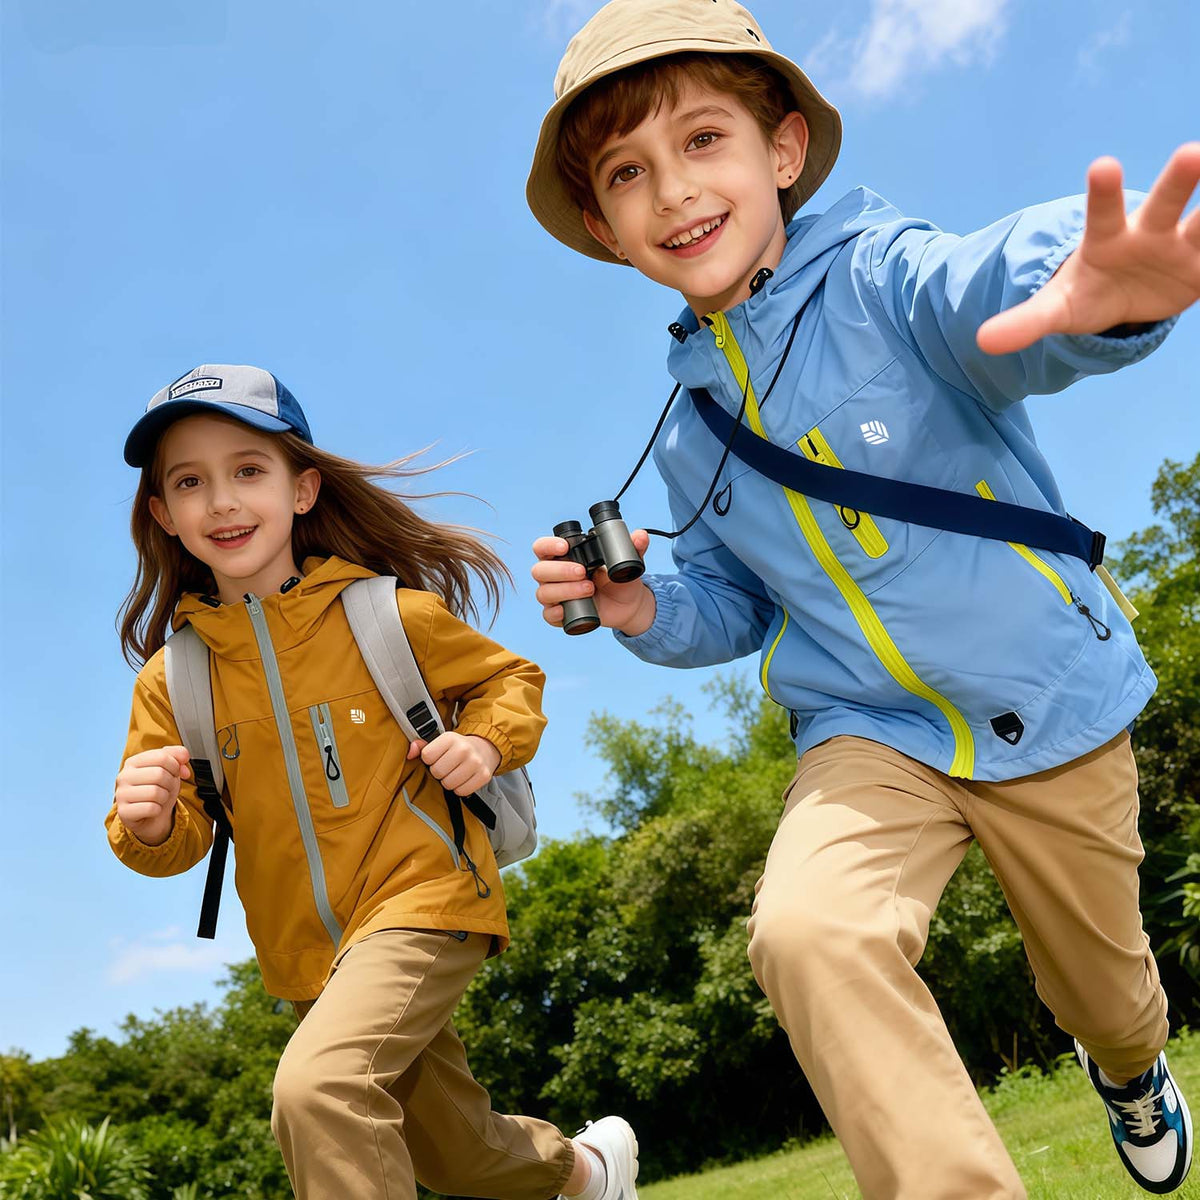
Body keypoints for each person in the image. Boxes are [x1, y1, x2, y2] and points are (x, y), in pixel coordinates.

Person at [525, 1, 1200, 1196]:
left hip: (1043, 690)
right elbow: (735, 607)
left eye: (704, 142)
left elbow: (980, 284)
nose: (674, 191)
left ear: (782, 153)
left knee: (1108, 993)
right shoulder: (689, 436)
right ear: (603, 224)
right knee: (806, 933)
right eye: (630, 172)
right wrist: (641, 614)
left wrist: (1102, 288)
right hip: (867, 733)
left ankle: (1131, 1068)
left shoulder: (881, 274)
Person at [106, 365, 640, 1200]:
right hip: (305, 957)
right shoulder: (171, 682)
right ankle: (588, 1175)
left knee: (319, 1091)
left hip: (425, 897)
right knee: (453, 1152)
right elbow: (184, 836)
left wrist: (484, 745)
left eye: (248, 470)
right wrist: (145, 823)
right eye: (190, 482)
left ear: (304, 488)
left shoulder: (384, 613)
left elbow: (511, 681)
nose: (221, 501)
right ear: (163, 515)